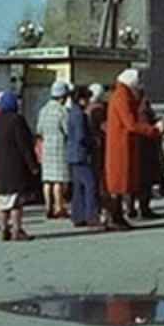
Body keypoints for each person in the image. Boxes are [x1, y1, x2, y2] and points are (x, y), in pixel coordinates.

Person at [104, 68, 164, 230]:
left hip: (121, 143)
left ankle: (116, 216)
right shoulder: (122, 97)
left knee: (119, 182)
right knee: (120, 182)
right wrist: (153, 130)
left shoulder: (119, 95)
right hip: (122, 146)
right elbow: (130, 123)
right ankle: (115, 217)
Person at [0, 90, 38, 241]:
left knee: (3, 200)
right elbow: (24, 145)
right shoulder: (17, 120)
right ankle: (17, 229)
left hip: (0, 166)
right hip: (16, 166)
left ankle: (3, 229)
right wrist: (32, 165)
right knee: (16, 201)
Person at [36, 80, 71, 219]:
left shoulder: (43, 110)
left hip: (47, 147)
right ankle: (59, 207)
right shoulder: (62, 111)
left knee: (47, 180)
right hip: (59, 147)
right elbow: (67, 130)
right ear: (62, 97)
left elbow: (39, 129)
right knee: (58, 180)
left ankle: (47, 206)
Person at [66, 85, 100, 227]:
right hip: (81, 154)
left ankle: (78, 216)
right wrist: (93, 141)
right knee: (90, 184)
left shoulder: (72, 112)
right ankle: (91, 216)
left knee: (78, 186)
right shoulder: (79, 114)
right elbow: (81, 136)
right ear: (81, 99)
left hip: (72, 154)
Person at [132, 92, 164, 219]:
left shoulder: (133, 109)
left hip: (138, 148)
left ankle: (132, 207)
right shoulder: (143, 112)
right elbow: (145, 128)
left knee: (137, 182)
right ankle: (143, 208)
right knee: (145, 182)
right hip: (146, 149)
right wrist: (156, 127)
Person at [86, 83, 108, 224]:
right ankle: (102, 210)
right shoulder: (100, 110)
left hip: (91, 147)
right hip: (100, 147)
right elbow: (105, 128)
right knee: (100, 180)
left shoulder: (87, 109)